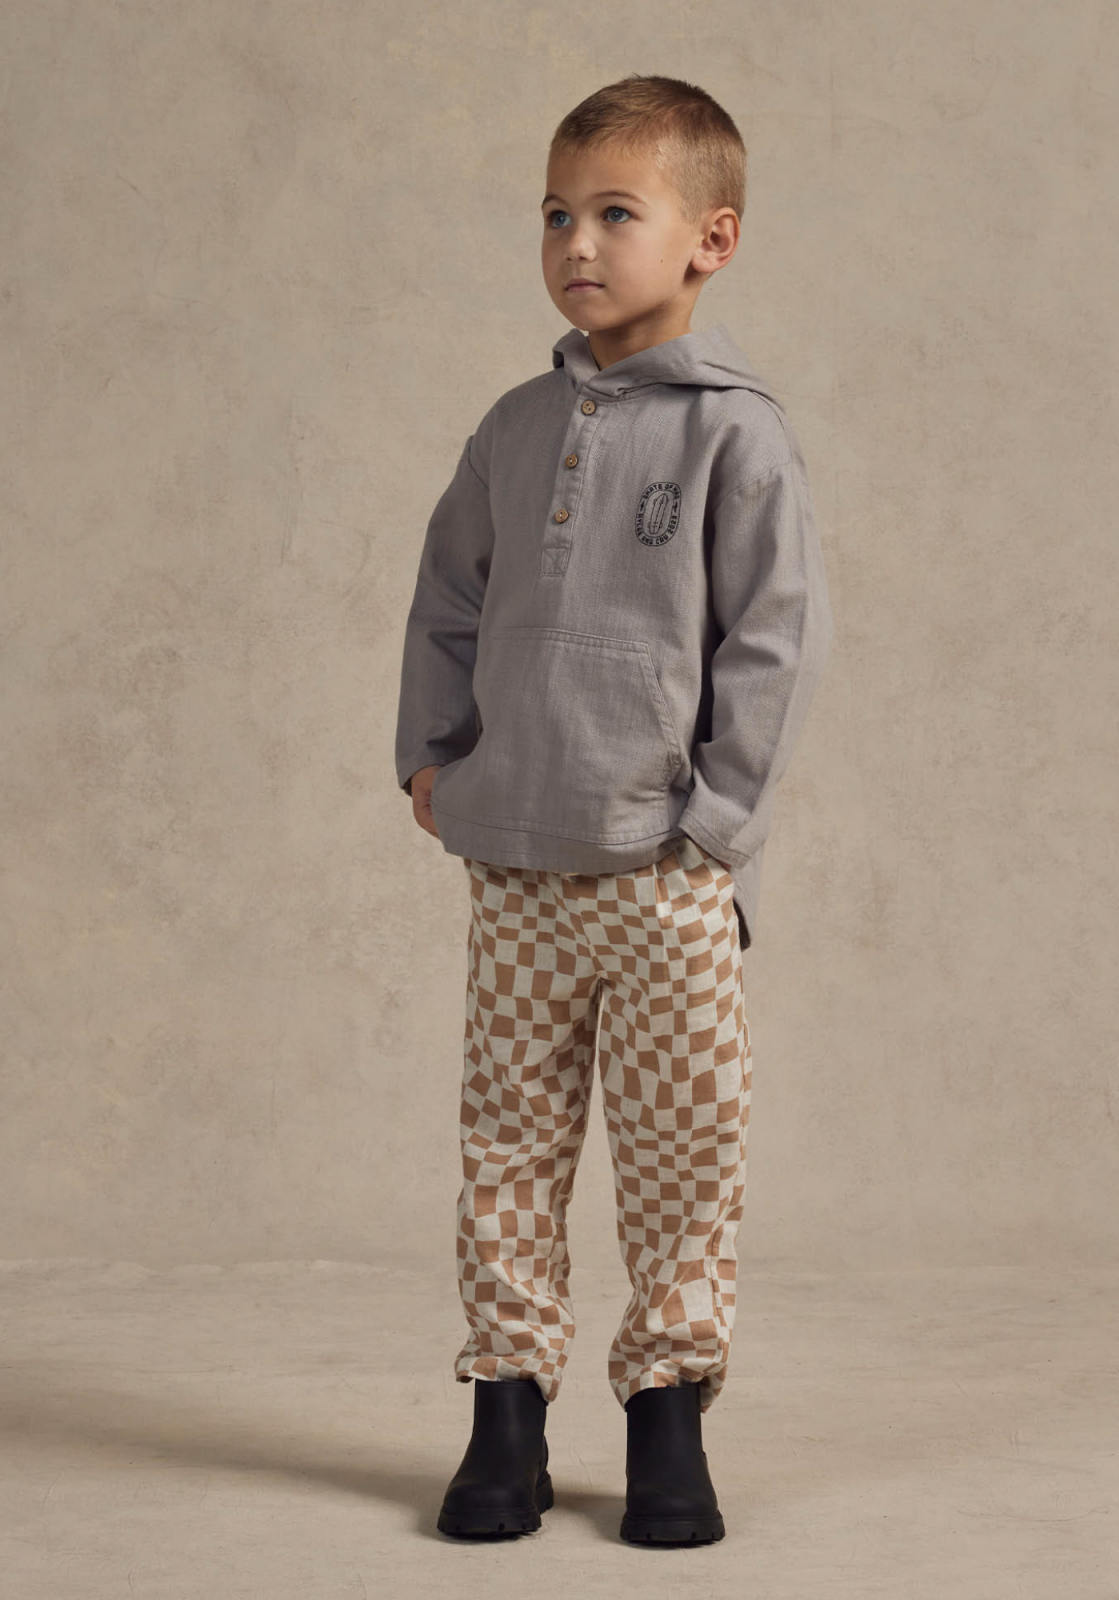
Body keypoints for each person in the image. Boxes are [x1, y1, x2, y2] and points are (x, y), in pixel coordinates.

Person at [395, 73, 834, 1545]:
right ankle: (505, 1415)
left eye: (616, 214)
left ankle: (666, 1418)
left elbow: (774, 639)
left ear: (710, 239)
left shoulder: (736, 436)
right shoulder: (515, 428)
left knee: (684, 1147)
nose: (578, 241)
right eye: (557, 214)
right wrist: (434, 754)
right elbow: (450, 597)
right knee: (507, 1141)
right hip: (515, 857)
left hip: (663, 870)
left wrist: (713, 827)